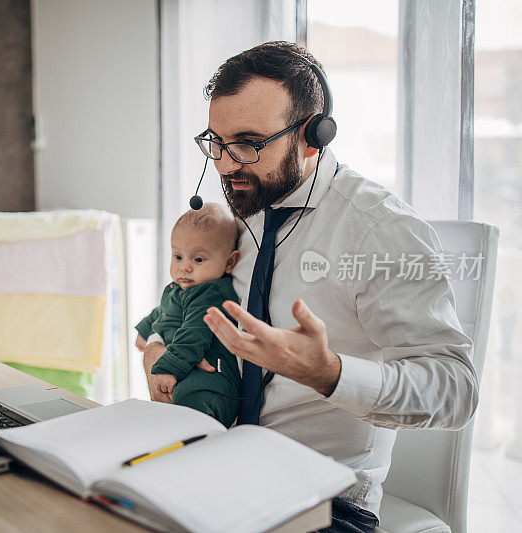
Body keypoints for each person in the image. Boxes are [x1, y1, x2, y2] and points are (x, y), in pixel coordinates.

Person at [141, 41, 477, 533]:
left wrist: (330, 373)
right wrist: (157, 351)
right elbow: (194, 307)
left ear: (313, 136)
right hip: (212, 466)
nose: (227, 165)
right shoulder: (244, 212)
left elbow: (457, 390)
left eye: (249, 143)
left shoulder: (378, 228)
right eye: (216, 143)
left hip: (324, 503)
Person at [135, 203, 242, 427]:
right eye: (178, 257)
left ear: (230, 262)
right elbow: (164, 311)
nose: (185, 268)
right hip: (186, 365)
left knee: (191, 397)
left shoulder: (211, 293)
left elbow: (194, 333)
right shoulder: (179, 288)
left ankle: (197, 438)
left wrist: (167, 368)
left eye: (198, 259)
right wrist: (146, 328)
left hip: (213, 378)